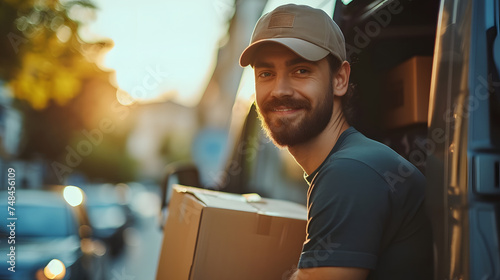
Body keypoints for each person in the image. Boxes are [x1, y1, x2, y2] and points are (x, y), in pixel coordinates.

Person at [239, 4, 433, 280]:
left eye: (301, 70)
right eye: (266, 74)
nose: (280, 90)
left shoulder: (350, 171)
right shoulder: (349, 162)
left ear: (340, 79)